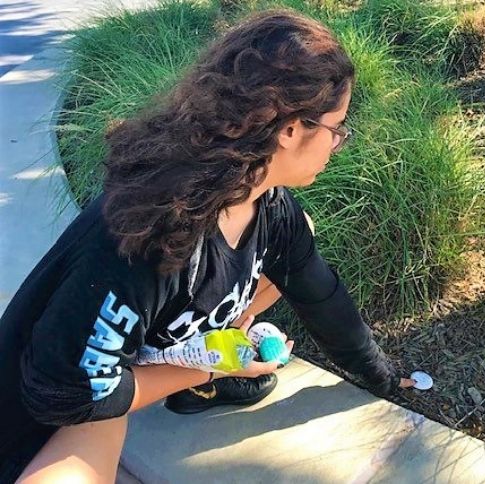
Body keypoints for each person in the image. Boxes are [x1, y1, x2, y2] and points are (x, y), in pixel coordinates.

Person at [0, 9, 415, 483]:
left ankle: (193, 380)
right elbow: (69, 396)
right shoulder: (150, 240)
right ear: (291, 130)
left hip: (129, 360)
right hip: (42, 422)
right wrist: (213, 366)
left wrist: (382, 375)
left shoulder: (269, 210)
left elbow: (321, 297)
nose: (339, 143)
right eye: (337, 129)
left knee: (304, 233)